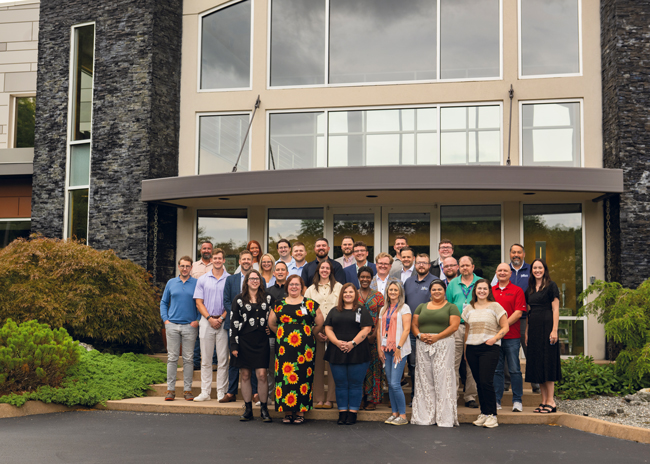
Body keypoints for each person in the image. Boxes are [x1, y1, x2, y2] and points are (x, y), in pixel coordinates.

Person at [268, 274, 324, 424]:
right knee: (284, 378)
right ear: (287, 287)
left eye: (297, 284)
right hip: (284, 349)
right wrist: (282, 334)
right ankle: (287, 412)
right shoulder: (279, 304)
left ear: (302, 287)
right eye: (291, 284)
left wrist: (307, 334)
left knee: (303, 378)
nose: (294, 287)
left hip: (304, 350)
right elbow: (272, 323)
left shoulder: (310, 304)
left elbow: (319, 323)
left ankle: (300, 411)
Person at [410, 279, 461, 427]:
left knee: (442, 378)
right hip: (423, 344)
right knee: (424, 379)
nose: (436, 292)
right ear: (430, 292)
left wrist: (437, 337)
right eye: (434, 290)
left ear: (444, 291)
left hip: (443, 344)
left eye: (439, 289)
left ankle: (444, 417)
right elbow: (414, 324)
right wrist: (420, 335)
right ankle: (426, 416)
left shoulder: (451, 307)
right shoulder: (421, 306)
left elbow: (454, 326)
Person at [220, 250, 267, 403]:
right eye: (243, 259)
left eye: (249, 259)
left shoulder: (260, 280)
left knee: (254, 365)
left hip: (255, 331)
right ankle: (231, 392)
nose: (246, 261)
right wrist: (237, 315)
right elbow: (227, 301)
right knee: (235, 359)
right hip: (236, 327)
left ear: (253, 261)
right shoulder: (231, 280)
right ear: (239, 261)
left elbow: (264, 304)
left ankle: (255, 393)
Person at [462, 279, 509, 428]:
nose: (481, 291)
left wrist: (494, 338)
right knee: (478, 383)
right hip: (472, 349)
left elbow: (505, 327)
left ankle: (492, 415)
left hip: (489, 348)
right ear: (475, 290)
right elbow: (467, 331)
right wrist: (465, 351)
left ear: (489, 291)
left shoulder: (495, 306)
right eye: (479, 288)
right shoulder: (469, 308)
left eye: (485, 289)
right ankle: (484, 413)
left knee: (486, 381)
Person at [491, 244, 538, 394]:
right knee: (504, 351)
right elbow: (493, 292)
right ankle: (505, 382)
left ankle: (536, 383)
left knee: (530, 350)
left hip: (525, 317)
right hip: (502, 320)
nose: (516, 255)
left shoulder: (531, 270)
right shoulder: (504, 270)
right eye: (513, 252)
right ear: (510, 254)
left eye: (519, 252)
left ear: (524, 254)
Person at [324, 283, 373, 425]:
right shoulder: (334, 311)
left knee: (355, 384)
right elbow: (328, 328)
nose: (348, 294)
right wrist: (337, 342)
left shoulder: (361, 310)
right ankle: (342, 412)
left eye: (351, 292)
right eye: (345, 292)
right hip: (337, 350)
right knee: (340, 384)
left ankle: (352, 413)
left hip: (357, 351)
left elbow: (366, 329)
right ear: (341, 295)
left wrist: (352, 343)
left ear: (355, 294)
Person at [230, 270, 275, 422]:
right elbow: (234, 323)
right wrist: (234, 345)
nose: (255, 281)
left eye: (257, 279)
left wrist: (272, 329)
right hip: (244, 341)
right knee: (245, 375)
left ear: (261, 281)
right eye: (252, 278)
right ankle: (248, 408)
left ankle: (264, 408)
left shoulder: (268, 298)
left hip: (261, 341)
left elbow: (275, 317)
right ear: (247, 281)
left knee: (262, 374)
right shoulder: (238, 299)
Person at [160, 256, 200, 401]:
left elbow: (201, 303)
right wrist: (166, 320)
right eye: (182, 266)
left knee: (189, 359)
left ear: (191, 268)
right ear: (179, 267)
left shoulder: (196, 283)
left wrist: (198, 320)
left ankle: (187, 390)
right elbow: (164, 302)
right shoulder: (171, 283)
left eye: (187, 266)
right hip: (172, 326)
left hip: (190, 326)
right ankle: (170, 390)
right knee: (172, 358)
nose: (185, 269)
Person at [304, 261, 342, 409]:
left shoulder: (339, 287)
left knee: (333, 366)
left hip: (335, 332)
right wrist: (315, 331)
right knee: (317, 366)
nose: (324, 270)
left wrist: (331, 332)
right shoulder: (311, 290)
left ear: (331, 271)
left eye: (327, 268)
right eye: (322, 268)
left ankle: (330, 398)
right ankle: (319, 398)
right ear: (318, 271)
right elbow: (306, 311)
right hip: (317, 331)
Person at [193, 249, 230, 402]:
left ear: (224, 260)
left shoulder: (230, 279)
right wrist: (209, 318)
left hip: (223, 321)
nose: (217, 260)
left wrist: (221, 318)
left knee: (222, 360)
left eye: (220, 258)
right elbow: (198, 302)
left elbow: (231, 303)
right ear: (212, 260)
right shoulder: (203, 279)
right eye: (215, 258)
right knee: (206, 359)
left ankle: (221, 392)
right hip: (206, 321)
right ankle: (205, 392)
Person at [525, 259, 561, 414]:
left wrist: (554, 330)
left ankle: (551, 402)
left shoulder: (551, 286)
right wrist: (526, 332)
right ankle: (543, 401)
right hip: (534, 330)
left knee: (548, 364)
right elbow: (528, 312)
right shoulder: (530, 288)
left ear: (544, 269)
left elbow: (556, 309)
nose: (537, 270)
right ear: (531, 270)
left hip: (547, 328)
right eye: (535, 268)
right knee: (538, 365)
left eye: (540, 268)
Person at [446, 256, 480, 408]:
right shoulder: (453, 283)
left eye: (467, 265)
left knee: (472, 363)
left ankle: (470, 396)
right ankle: (452, 394)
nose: (465, 268)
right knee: (453, 362)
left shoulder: (480, 282)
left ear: (473, 267)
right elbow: (447, 305)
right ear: (458, 268)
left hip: (475, 327)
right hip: (457, 327)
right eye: (462, 266)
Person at [492, 263, 527, 412]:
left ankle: (517, 400)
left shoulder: (517, 290)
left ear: (510, 273)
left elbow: (519, 312)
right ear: (496, 273)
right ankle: (496, 400)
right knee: (497, 370)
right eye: (499, 270)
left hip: (512, 336)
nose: (502, 272)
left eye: (505, 270)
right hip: (494, 337)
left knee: (514, 369)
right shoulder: (490, 291)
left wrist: (503, 326)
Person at [403, 253, 436, 404]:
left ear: (429, 265)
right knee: (413, 365)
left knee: (429, 365)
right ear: (415, 265)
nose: (421, 265)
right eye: (419, 263)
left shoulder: (435, 281)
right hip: (410, 331)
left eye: (424, 263)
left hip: (429, 330)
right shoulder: (408, 282)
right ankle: (416, 397)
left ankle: (429, 397)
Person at [378, 281, 412, 426]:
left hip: (399, 350)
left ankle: (403, 416)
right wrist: (380, 347)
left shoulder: (404, 308)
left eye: (395, 290)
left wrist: (399, 347)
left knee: (395, 383)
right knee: (390, 384)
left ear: (400, 292)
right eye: (390, 289)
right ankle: (394, 413)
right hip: (386, 350)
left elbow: (406, 329)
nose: (392, 292)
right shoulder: (383, 309)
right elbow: (380, 330)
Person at [357, 266, 385, 410]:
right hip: (356, 337)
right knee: (359, 367)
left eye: (368, 277)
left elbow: (381, 318)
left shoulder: (378, 296)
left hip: (374, 337)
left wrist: (374, 335)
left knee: (374, 367)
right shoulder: (353, 294)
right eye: (362, 277)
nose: (365, 279)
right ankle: (360, 397)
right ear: (358, 278)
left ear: (372, 278)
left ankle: (371, 398)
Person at [191, 240, 215, 370]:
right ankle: (196, 362)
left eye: (209, 248)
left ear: (212, 250)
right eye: (204, 248)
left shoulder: (217, 265)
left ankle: (214, 362)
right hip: (197, 305)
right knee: (197, 335)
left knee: (213, 333)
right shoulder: (193, 266)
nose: (206, 251)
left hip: (212, 307)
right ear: (200, 250)